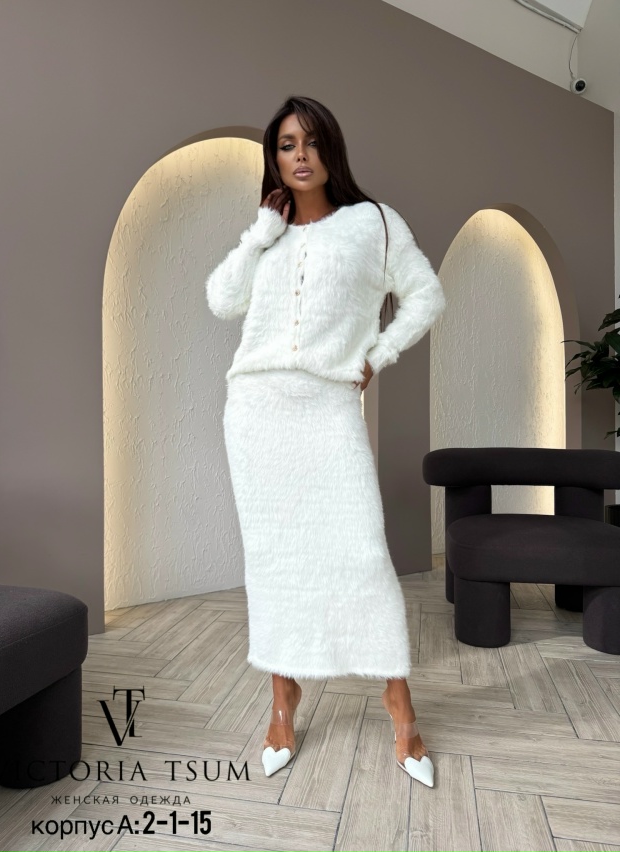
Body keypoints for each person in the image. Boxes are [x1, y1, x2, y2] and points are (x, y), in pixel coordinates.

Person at [205, 96, 446, 788]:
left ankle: (399, 703)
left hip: (326, 406)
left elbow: (426, 296)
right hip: (256, 410)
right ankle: (282, 700)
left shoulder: (374, 223)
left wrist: (379, 353)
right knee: (274, 560)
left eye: (310, 142)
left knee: (361, 553)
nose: (300, 155)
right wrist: (259, 232)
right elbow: (221, 299)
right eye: (286, 145)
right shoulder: (270, 234)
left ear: (330, 148)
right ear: (274, 158)